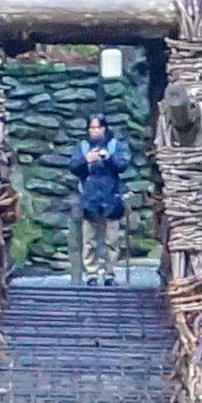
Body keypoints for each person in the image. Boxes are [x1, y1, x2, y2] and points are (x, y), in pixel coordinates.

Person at [60, 114, 130, 281]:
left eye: (97, 127)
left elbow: (122, 165)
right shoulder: (83, 146)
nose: (94, 131)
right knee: (89, 240)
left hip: (111, 197)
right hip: (90, 198)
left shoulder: (114, 145)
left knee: (111, 241)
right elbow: (73, 166)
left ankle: (109, 274)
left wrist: (107, 158)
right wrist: (86, 160)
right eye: (91, 127)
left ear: (104, 128)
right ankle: (91, 273)